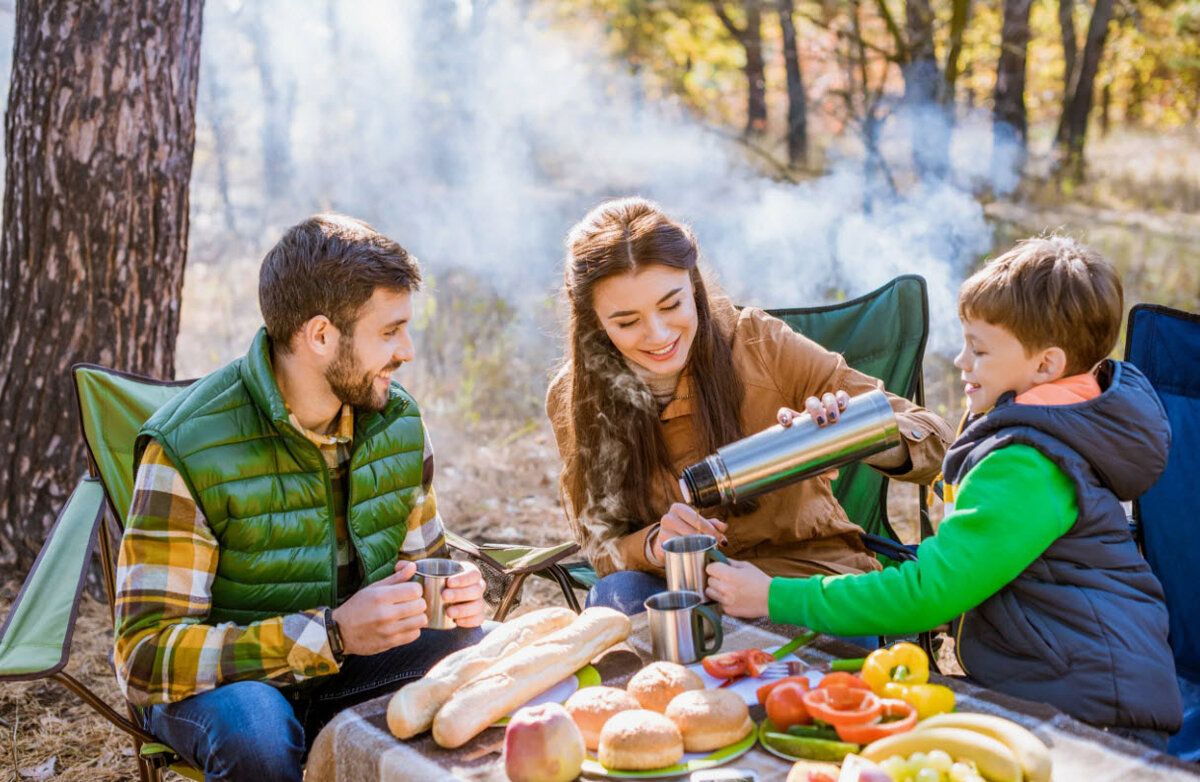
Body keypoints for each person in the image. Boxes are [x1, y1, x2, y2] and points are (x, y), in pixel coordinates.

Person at [707, 237, 1183, 748]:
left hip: (1091, 713)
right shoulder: (1054, 423)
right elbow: (973, 516)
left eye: (979, 349)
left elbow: (929, 592)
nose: (960, 361)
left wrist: (772, 596)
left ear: (1045, 365)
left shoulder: (1029, 463)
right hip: (1071, 681)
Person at [113, 215, 490, 781]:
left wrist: (451, 594)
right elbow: (145, 658)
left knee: (477, 652)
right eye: (389, 332)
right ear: (320, 336)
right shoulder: (186, 450)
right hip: (230, 693)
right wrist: (331, 633)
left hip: (349, 668)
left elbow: (422, 569)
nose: (407, 351)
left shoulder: (396, 422)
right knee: (256, 730)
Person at [545, 197, 953, 616]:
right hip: (687, 587)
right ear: (594, 320)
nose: (659, 334)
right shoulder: (578, 396)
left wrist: (853, 435)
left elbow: (938, 440)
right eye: (627, 322)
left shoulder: (758, 344)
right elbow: (601, 544)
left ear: (695, 288)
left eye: (672, 305)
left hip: (802, 581)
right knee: (616, 599)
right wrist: (651, 545)